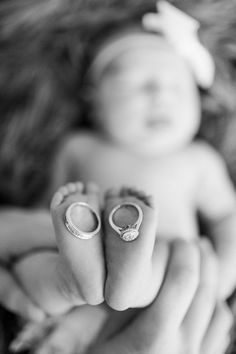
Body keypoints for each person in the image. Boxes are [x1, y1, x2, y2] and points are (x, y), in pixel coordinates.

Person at [0, 0, 236, 353]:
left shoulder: (198, 160)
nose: (161, 95)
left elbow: (227, 217)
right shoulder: (78, 146)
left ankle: (122, 280)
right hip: (78, 272)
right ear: (94, 102)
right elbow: (47, 208)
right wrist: (57, 232)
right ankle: (71, 281)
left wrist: (223, 274)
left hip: (165, 274)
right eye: (137, 85)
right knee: (39, 266)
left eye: (178, 87)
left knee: (161, 258)